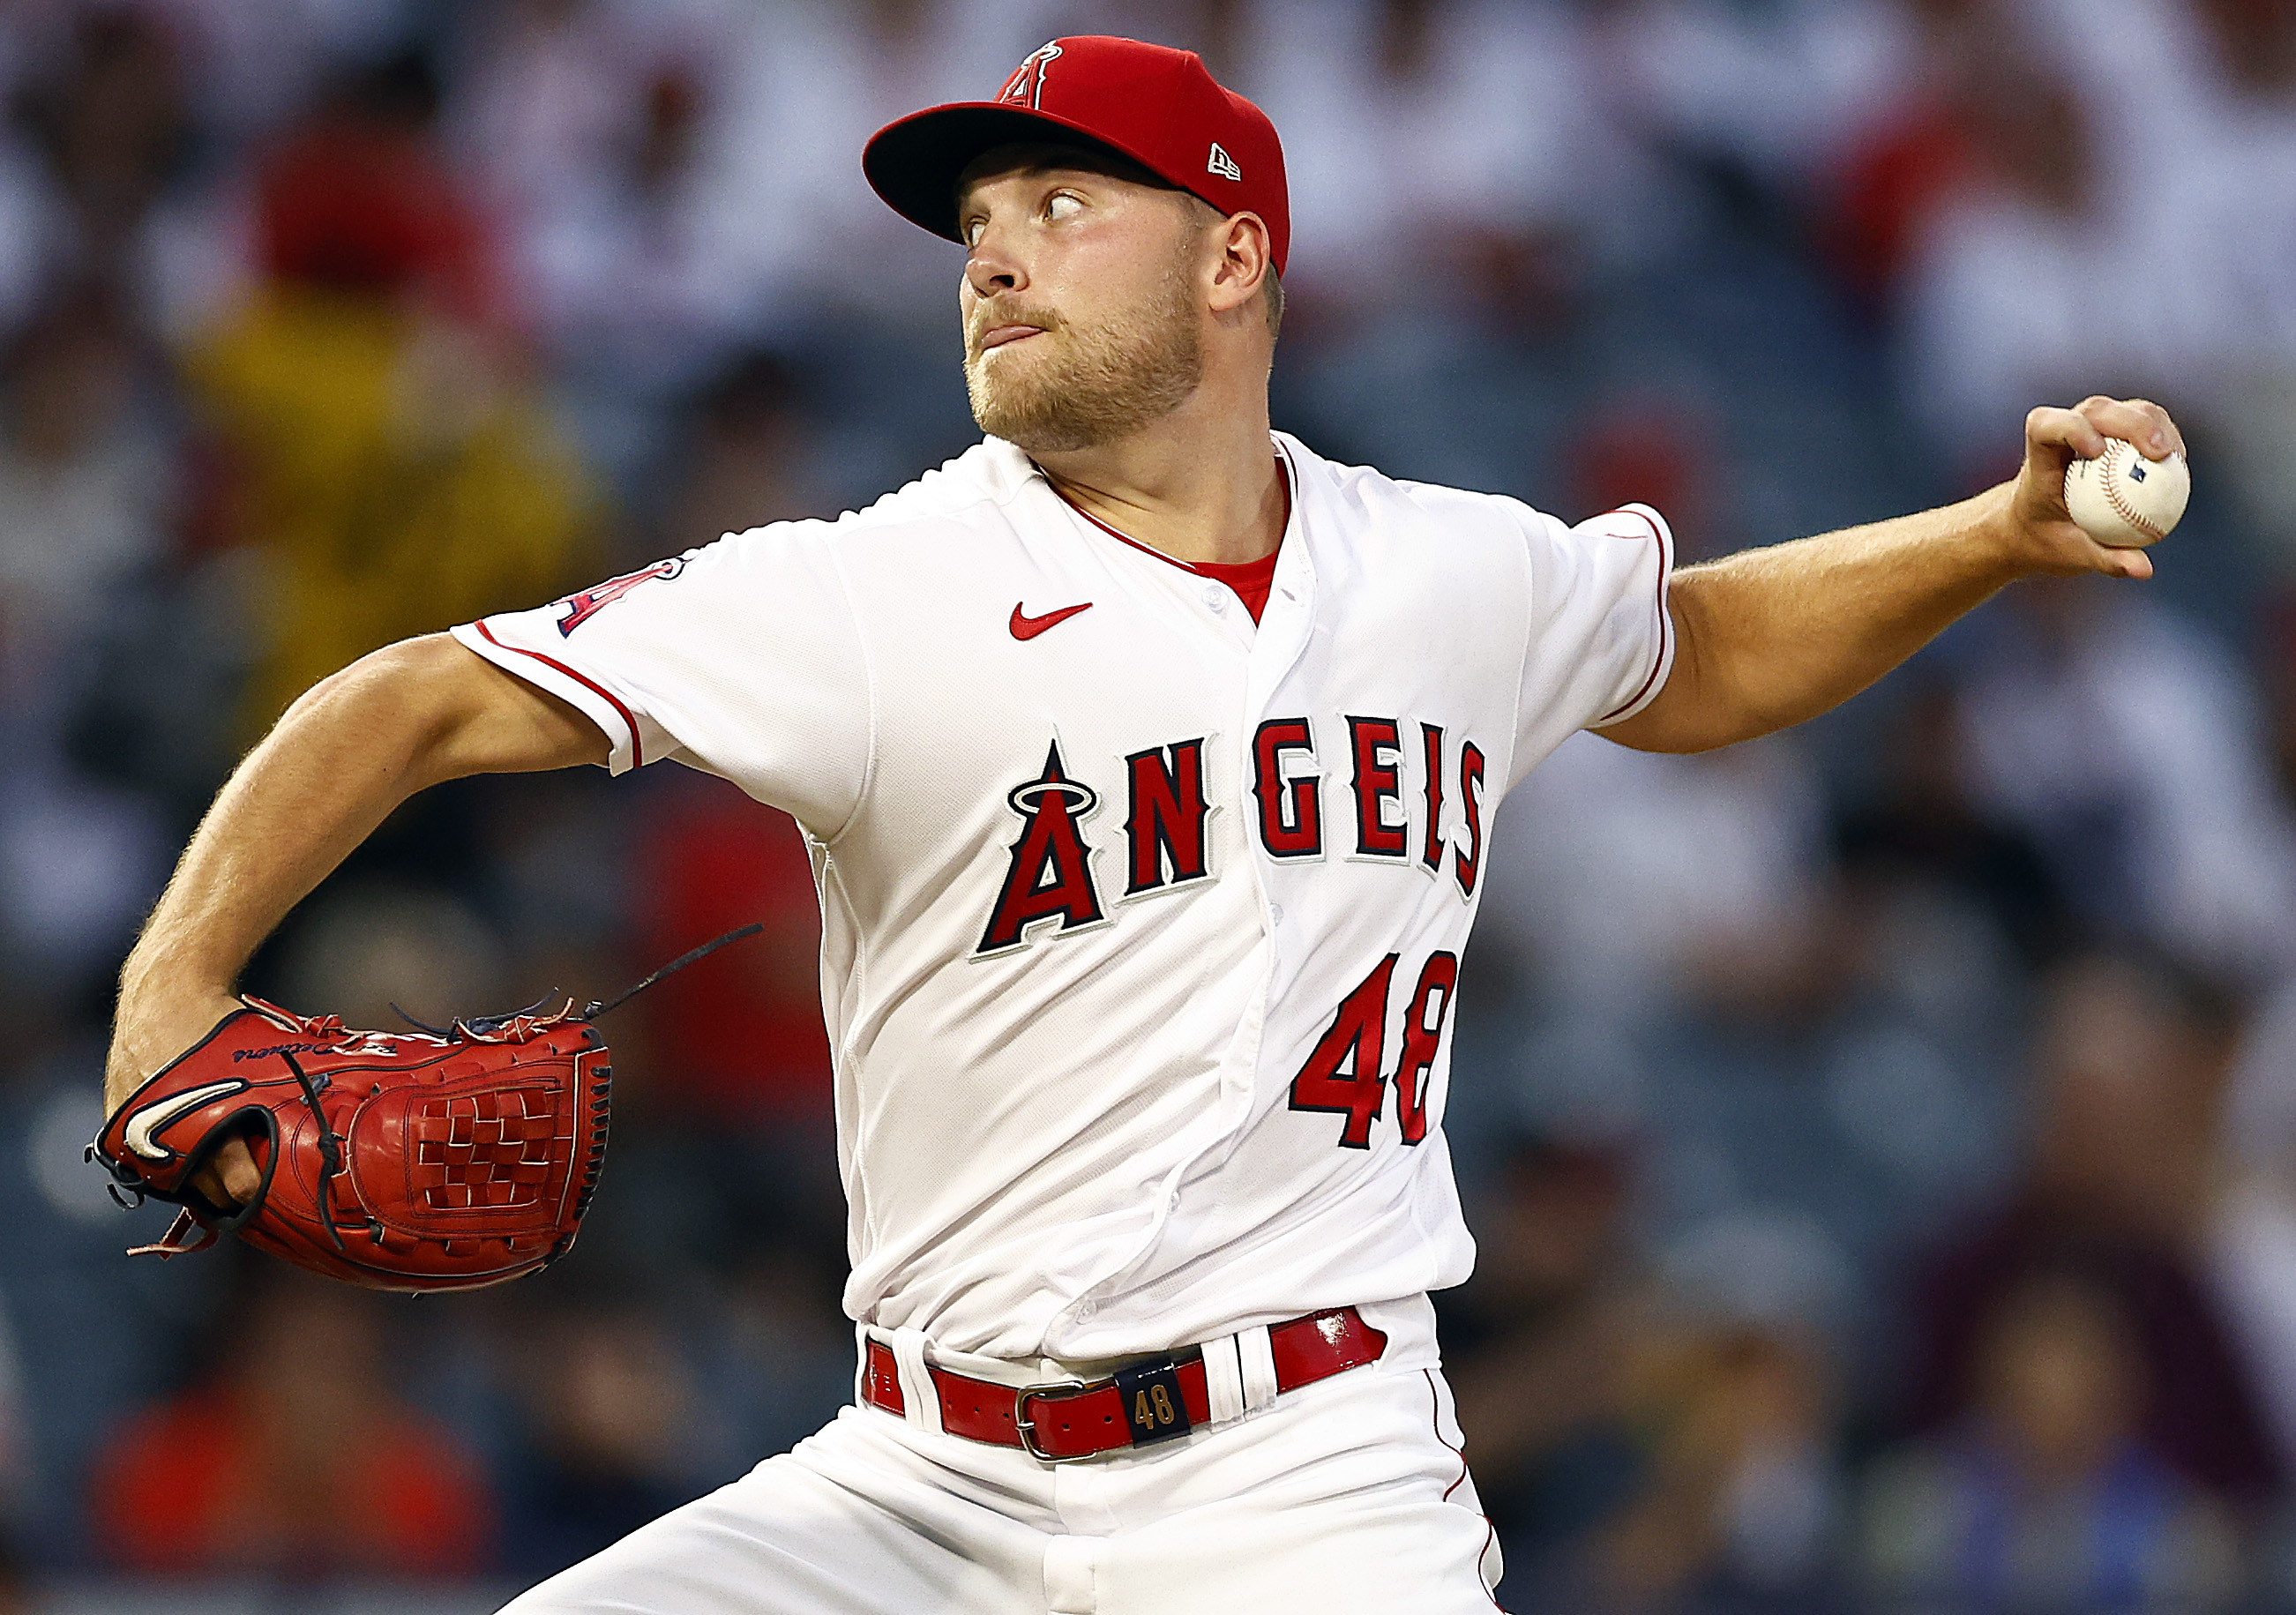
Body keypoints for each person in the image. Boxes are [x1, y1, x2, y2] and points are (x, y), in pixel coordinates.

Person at [101, 34, 2182, 1614]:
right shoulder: (868, 591)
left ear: (1233, 256)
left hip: (1311, 1481)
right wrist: (175, 978)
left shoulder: (1447, 572)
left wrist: (1992, 534)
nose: (991, 246)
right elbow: (411, 695)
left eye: (1056, 201)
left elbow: (1698, 648)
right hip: (914, 1483)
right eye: (974, 217)